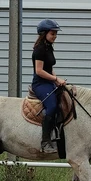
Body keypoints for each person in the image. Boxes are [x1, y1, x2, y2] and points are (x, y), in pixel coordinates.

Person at [32, 18, 67, 153]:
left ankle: (58, 136)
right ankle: (45, 141)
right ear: (44, 33)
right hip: (40, 84)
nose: (55, 36)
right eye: (53, 33)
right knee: (52, 106)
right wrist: (55, 78)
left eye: (55, 34)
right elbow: (39, 71)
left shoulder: (48, 47)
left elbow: (49, 67)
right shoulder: (39, 50)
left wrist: (56, 80)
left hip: (49, 81)